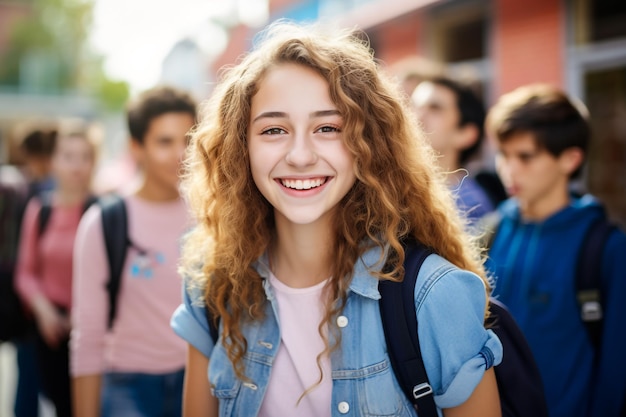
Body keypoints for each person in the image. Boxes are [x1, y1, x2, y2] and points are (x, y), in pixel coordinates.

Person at [170, 22, 503, 417]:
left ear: (369, 145)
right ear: (239, 147)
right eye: (274, 129)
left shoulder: (433, 294)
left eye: (328, 128)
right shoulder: (213, 285)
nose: (300, 155)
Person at [484, 84, 626, 417]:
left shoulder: (606, 248)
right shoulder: (488, 232)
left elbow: (616, 370)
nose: (509, 169)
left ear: (570, 158)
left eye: (525, 156)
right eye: (503, 154)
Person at [70, 85, 197, 417]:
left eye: (188, 140)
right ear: (136, 147)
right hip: (128, 386)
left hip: (199, 381)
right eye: (164, 142)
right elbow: (87, 334)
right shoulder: (105, 221)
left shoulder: (210, 215)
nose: (179, 154)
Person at [14, 128, 98, 417]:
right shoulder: (40, 210)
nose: (76, 165)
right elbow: (25, 271)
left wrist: (82, 313)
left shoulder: (102, 212)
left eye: (84, 157)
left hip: (90, 329)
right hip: (47, 329)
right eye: (68, 156)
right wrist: (44, 311)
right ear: (54, 161)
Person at [2, 127, 57, 417]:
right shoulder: (45, 194)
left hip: (26, 300)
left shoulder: (30, 191)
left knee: (28, 380)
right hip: (40, 301)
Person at [411, 77, 504, 225]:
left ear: (466, 134)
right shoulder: (393, 188)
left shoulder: (471, 207)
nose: (416, 116)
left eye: (435, 108)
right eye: (414, 105)